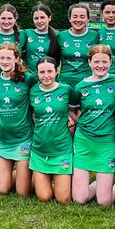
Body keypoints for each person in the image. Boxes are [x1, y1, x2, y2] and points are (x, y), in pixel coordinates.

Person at [69, 45, 115, 206]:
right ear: (89, 62)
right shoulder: (80, 86)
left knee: (104, 201)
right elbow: (72, 111)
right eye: (96, 61)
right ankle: (99, 184)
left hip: (107, 142)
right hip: (84, 141)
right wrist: (82, 124)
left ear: (111, 62)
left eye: (105, 61)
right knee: (79, 199)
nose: (101, 65)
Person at [29, 57, 73, 203]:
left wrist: (70, 118)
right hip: (40, 149)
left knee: (63, 199)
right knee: (44, 197)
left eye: (50, 71)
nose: (46, 75)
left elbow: (75, 110)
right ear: (37, 73)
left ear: (56, 72)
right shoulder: (33, 91)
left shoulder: (66, 90)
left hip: (61, 149)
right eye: (42, 72)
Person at [0, 42, 35, 196]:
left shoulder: (28, 79)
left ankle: (38, 175)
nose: (5, 61)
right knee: (2, 190)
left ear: (16, 58)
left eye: (8, 58)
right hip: (3, 141)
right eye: (1, 58)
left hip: (23, 139)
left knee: (22, 192)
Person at [57, 3, 98, 92]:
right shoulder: (60, 36)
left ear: (88, 19)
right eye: (75, 16)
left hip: (88, 83)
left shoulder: (95, 36)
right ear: (69, 19)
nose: (78, 20)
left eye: (82, 17)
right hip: (65, 83)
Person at [22, 3, 61, 73]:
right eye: (36, 18)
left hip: (48, 78)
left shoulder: (57, 35)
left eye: (42, 17)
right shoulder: (27, 34)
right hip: (30, 78)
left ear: (49, 18)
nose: (39, 21)